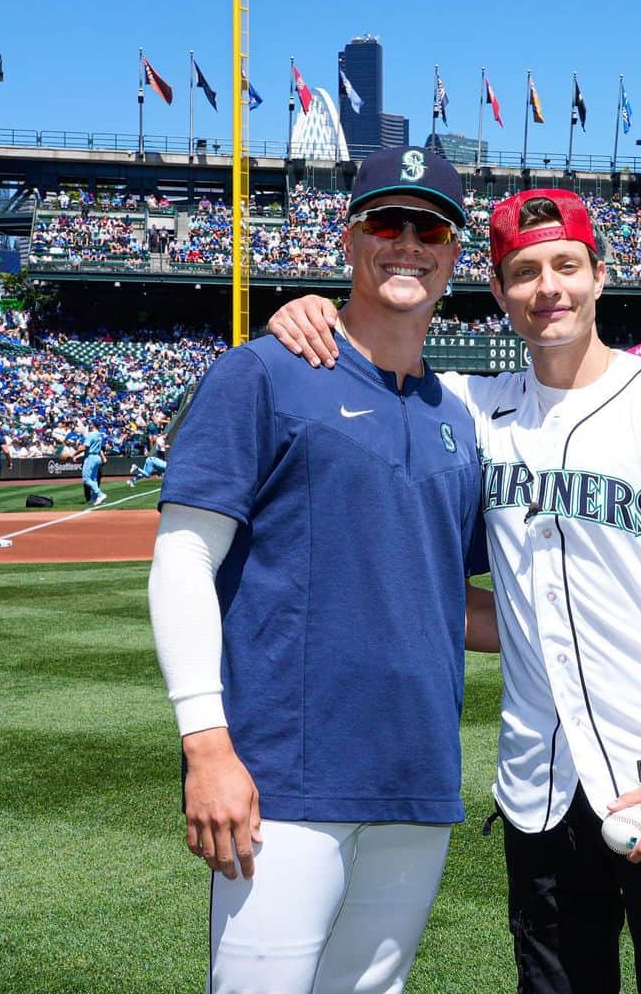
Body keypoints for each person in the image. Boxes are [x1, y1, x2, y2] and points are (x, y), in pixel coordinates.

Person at [268, 188, 641, 993]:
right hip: (537, 790)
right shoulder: (471, 409)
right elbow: (376, 363)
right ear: (497, 292)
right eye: (523, 272)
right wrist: (313, 309)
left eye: (566, 266)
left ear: (600, 276)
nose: (548, 289)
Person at [148, 146, 496, 994]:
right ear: (349, 239)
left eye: (430, 228)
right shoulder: (263, 371)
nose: (407, 242)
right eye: (386, 222)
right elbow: (185, 555)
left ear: (454, 254)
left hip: (417, 776)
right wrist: (207, 746)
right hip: (283, 776)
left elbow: (441, 597)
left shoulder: (455, 415)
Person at [71, 419, 107, 506]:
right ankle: (94, 499)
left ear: (93, 425)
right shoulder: (100, 435)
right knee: (94, 479)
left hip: (90, 457)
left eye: (91, 424)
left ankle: (100, 494)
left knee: (86, 479)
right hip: (97, 457)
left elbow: (84, 447)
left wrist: (74, 454)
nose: (90, 425)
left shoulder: (91, 434)